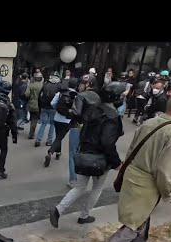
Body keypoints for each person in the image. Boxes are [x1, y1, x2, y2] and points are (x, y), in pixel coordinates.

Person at [88, 94, 171, 242]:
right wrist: (169, 193)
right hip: (148, 182)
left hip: (132, 174)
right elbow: (164, 170)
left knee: (141, 214)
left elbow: (131, 150)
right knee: (133, 223)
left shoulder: (150, 122)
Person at [49, 82, 125, 228]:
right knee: (97, 188)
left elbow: (84, 131)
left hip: (85, 153)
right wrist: (116, 162)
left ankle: (59, 209)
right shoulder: (112, 116)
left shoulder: (93, 109)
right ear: (115, 97)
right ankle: (84, 215)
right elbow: (108, 143)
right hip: (100, 158)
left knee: (79, 186)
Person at [44, 77, 78, 166]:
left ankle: (58, 153)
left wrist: (58, 110)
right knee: (59, 137)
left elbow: (52, 103)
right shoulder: (76, 95)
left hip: (57, 118)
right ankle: (50, 152)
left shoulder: (60, 93)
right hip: (67, 120)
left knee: (58, 136)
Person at [34, 73, 60, 148]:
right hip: (53, 108)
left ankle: (38, 140)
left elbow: (40, 96)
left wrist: (40, 106)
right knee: (52, 124)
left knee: (43, 124)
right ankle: (49, 141)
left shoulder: (45, 84)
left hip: (44, 107)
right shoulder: (58, 86)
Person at [25, 69, 44, 139]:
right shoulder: (43, 86)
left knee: (32, 118)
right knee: (35, 119)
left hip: (31, 104)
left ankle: (31, 133)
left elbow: (26, 94)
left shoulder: (31, 85)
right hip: (39, 105)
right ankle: (31, 133)